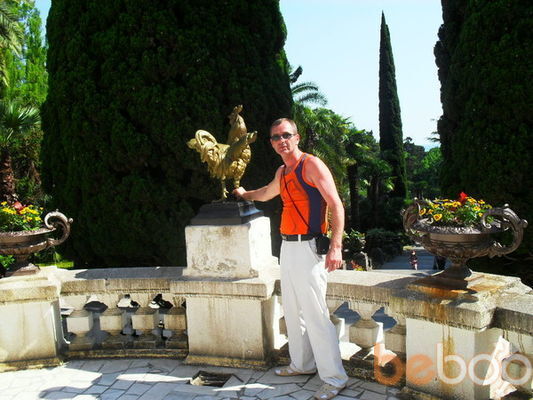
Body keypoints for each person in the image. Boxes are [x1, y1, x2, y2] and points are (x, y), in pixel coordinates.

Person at [233, 118, 348, 400]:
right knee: (293, 310)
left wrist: (336, 246)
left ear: (297, 138)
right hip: (287, 246)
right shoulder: (283, 171)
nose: (281, 140)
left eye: (286, 135)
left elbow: (336, 204)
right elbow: (267, 193)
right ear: (272, 143)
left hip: (309, 247)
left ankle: (334, 378)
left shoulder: (312, 165)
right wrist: (245, 194)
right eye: (276, 137)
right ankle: (302, 364)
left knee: (316, 314)